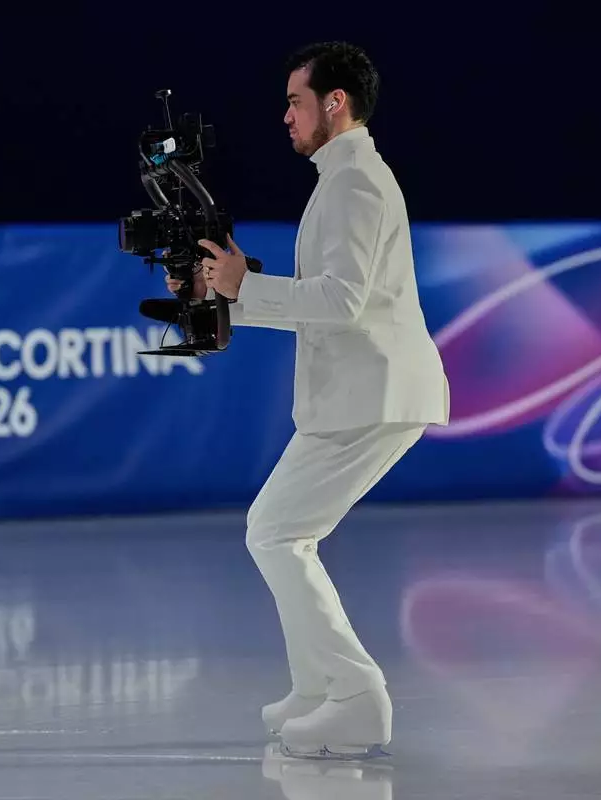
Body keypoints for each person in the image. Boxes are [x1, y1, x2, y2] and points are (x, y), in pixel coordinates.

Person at [166, 41, 449, 758]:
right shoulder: (343, 177)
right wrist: (225, 291)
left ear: (335, 102)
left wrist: (240, 288)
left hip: (373, 394)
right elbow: (323, 300)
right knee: (284, 532)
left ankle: (355, 697)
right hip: (364, 394)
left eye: (295, 100)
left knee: (276, 532)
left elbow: (343, 302)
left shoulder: (356, 182)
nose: (284, 114)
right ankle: (319, 687)